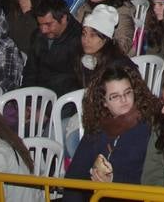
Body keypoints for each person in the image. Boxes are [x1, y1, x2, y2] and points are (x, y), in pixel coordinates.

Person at [63, 63, 156, 200]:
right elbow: (74, 177)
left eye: (128, 92)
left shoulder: (147, 127)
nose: (124, 100)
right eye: (115, 96)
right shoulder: (97, 128)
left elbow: (150, 180)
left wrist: (113, 181)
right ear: (104, 102)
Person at [23, 0, 83, 94]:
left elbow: (77, 83)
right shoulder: (38, 35)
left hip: (63, 100)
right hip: (37, 95)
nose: (43, 30)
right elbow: (31, 71)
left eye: (48, 24)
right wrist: (28, 100)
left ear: (63, 19)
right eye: (40, 24)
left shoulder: (80, 40)